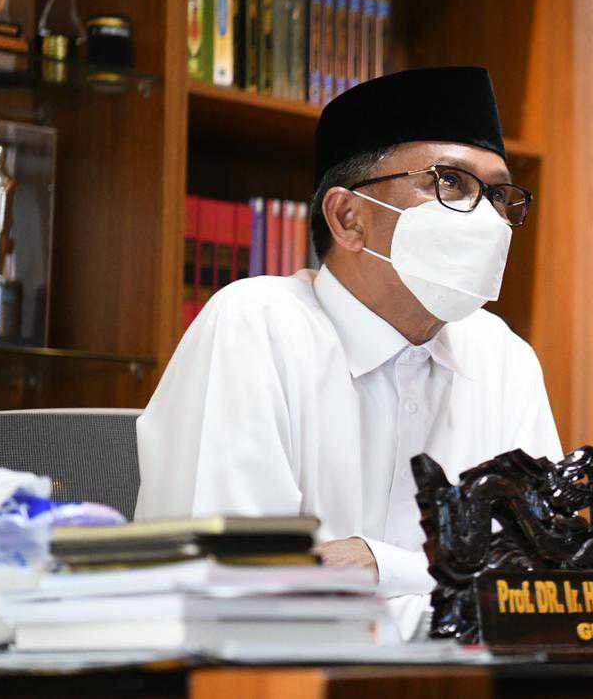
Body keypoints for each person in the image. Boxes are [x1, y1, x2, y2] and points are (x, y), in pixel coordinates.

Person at [134, 66, 563, 641]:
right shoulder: (256, 326)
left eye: (498, 195)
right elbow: (236, 595)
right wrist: (453, 591)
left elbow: (543, 589)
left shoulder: (503, 357)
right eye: (452, 184)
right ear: (347, 218)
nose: (487, 219)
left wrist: (379, 565)